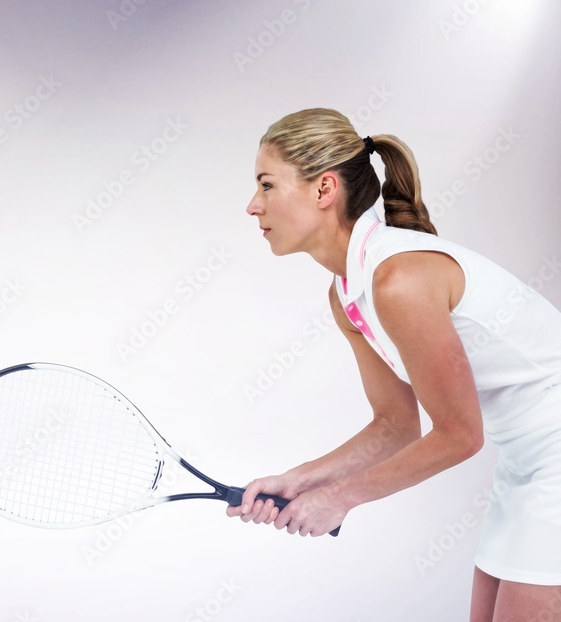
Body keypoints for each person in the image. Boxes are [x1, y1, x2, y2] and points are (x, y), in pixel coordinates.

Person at [227, 108, 561, 621]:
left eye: (267, 185)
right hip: (526, 463)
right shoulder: (348, 293)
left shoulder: (398, 278)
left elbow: (459, 435)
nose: (253, 206)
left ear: (324, 189)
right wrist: (299, 480)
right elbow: (397, 425)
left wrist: (339, 499)